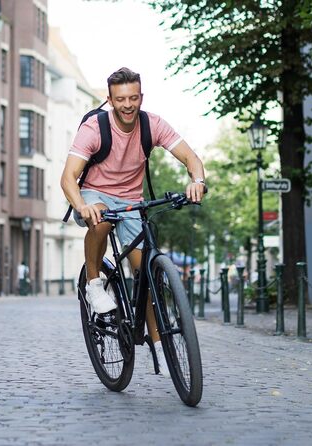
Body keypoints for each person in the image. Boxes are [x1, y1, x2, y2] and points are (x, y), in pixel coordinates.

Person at [61, 67, 206, 375]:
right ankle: (94, 284)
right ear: (110, 99)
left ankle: (158, 344)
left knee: (147, 273)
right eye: (120, 99)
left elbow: (192, 159)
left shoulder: (151, 124)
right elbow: (68, 178)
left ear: (141, 96)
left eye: (133, 98)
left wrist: (197, 180)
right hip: (93, 193)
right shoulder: (94, 128)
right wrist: (82, 206)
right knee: (99, 219)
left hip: (131, 202)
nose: (128, 105)